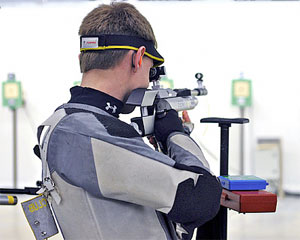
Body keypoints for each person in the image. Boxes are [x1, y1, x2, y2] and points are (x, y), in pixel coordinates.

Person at [36, 3, 222, 240]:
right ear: (138, 57)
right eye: (150, 70)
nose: (148, 80)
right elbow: (201, 198)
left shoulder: (64, 121)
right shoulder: (87, 133)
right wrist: (176, 135)